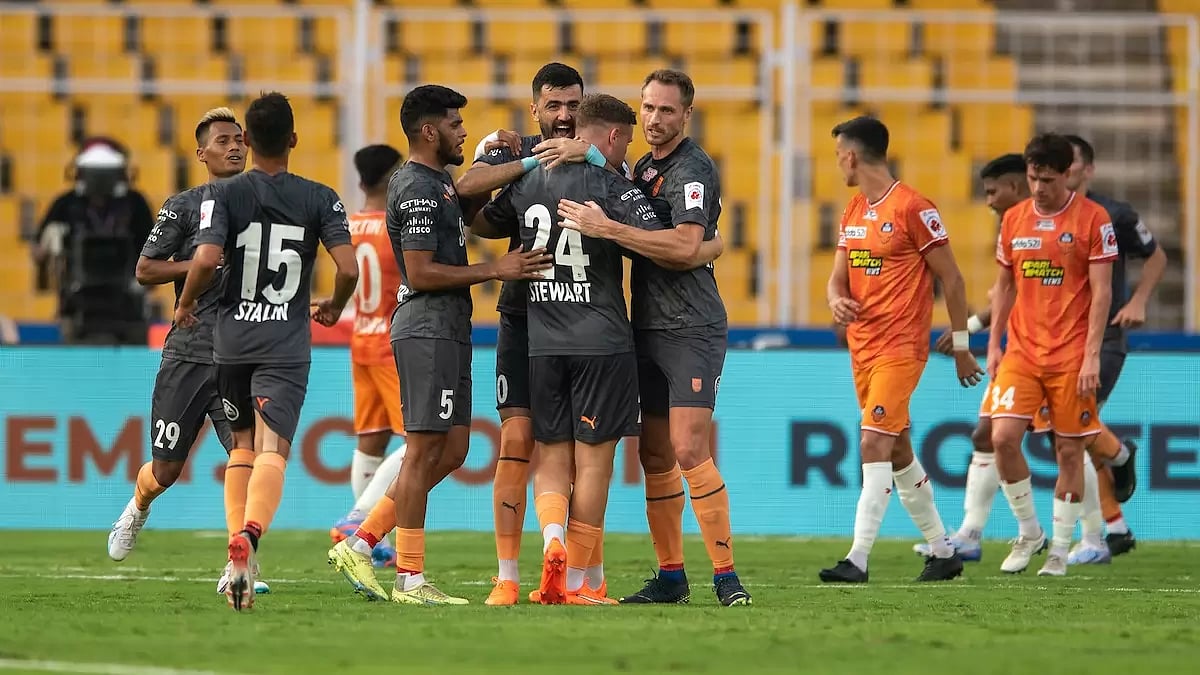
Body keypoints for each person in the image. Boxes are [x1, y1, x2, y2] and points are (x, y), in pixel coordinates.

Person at [328, 84, 550, 605]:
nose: (462, 129)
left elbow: (471, 189)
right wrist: (497, 267)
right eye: (454, 124)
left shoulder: (438, 184)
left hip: (447, 327)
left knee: (452, 449)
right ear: (429, 131)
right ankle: (409, 578)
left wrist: (509, 155)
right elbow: (422, 271)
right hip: (425, 326)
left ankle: (361, 541)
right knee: (426, 448)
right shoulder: (419, 188)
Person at [565, 69, 751, 606]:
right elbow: (690, 241)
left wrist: (610, 230)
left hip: (690, 325)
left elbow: (685, 246)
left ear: (686, 115)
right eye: (647, 108)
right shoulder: (645, 167)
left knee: (689, 445)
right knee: (654, 454)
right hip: (645, 324)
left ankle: (726, 574)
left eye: (666, 110)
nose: (654, 119)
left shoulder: (693, 169)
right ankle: (672, 574)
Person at [175, 91, 360, 610]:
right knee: (273, 450)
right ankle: (251, 537)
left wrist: (186, 302)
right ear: (295, 140)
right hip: (284, 342)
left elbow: (207, 259)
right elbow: (348, 268)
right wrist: (333, 306)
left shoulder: (224, 196)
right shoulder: (321, 197)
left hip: (231, 341)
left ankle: (237, 555)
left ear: (248, 141)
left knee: (240, 448)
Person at [478, 93, 656, 605]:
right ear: (611, 136)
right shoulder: (606, 180)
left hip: (542, 340)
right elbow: (652, 229)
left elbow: (485, 220)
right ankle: (577, 582)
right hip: (600, 341)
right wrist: (603, 168)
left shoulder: (528, 179)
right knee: (594, 465)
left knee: (550, 458)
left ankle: (551, 539)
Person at [454, 62, 608, 606]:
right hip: (523, 320)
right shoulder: (512, 154)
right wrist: (519, 158)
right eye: (554, 105)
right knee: (522, 443)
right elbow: (468, 201)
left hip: (583, 327)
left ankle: (575, 572)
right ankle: (508, 575)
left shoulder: (604, 166)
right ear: (535, 108)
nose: (564, 116)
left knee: (575, 452)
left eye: (573, 106)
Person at [106, 108, 271, 593]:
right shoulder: (184, 206)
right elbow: (146, 270)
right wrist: (199, 265)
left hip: (241, 350)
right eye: (222, 141)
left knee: (247, 454)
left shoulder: (265, 206)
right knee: (167, 469)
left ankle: (238, 565)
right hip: (189, 350)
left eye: (239, 139)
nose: (234, 147)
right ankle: (138, 505)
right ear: (202, 154)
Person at [819, 115, 981, 584]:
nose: (838, 165)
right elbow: (837, 276)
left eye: (838, 156)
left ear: (851, 156)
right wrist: (836, 300)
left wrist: (964, 345)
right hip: (862, 348)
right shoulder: (852, 211)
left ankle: (858, 558)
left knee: (872, 440)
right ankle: (942, 551)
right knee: (897, 450)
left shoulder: (913, 208)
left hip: (900, 348)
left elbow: (952, 278)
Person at [987, 132, 1117, 578]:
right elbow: (1004, 287)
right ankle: (1030, 532)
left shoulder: (1093, 220)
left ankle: (1060, 550)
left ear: (1067, 175)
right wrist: (993, 345)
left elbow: (1102, 294)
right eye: (1032, 178)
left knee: (1067, 451)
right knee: (1001, 438)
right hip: (1021, 351)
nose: (1039, 188)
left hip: (1071, 354)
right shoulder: (1014, 220)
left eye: (1047, 179)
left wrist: (1092, 357)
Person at [913, 153, 1031, 562]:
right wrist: (975, 331)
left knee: (1072, 441)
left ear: (1017, 186)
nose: (989, 201)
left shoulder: (1045, 228)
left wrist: (972, 336)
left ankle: (1097, 532)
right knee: (987, 436)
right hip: (1018, 351)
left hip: (1052, 352)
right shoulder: (1012, 229)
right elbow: (1007, 297)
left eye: (993, 191)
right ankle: (971, 534)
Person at [1061, 134, 1163, 564]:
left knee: (1073, 427)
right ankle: (1114, 526)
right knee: (1074, 433)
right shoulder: (1041, 218)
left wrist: (1138, 300)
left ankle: (1096, 536)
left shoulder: (1114, 215)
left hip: (1104, 339)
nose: (1063, 175)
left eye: (1071, 167)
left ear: (1088, 170)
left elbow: (1156, 256)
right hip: (1061, 339)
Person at [327, 144, 408, 569]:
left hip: (360, 337)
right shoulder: (396, 230)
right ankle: (361, 520)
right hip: (393, 341)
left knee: (372, 439)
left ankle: (367, 539)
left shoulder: (348, 227)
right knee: (420, 440)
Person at [34, 137, 156, 344]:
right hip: (78, 297)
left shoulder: (135, 203)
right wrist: (49, 244)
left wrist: (144, 279)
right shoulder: (66, 204)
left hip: (127, 298)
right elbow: (38, 252)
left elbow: (156, 248)